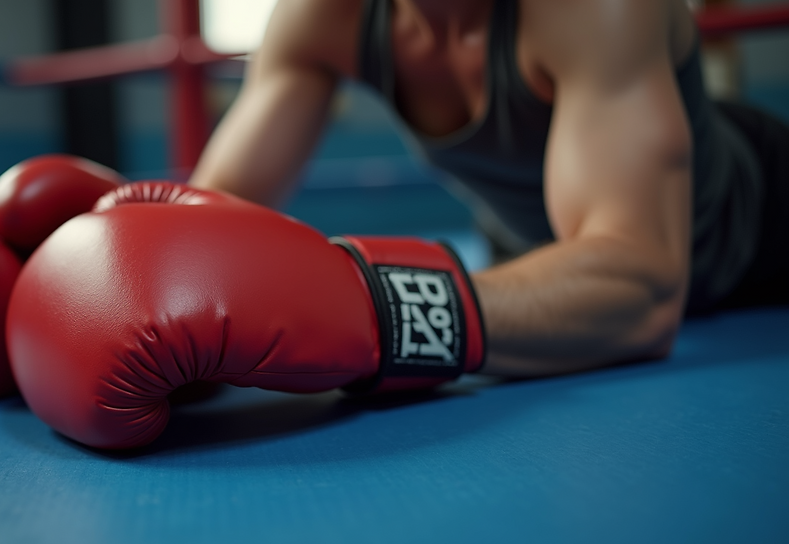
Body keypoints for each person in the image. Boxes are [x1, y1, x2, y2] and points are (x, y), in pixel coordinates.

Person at [186, 0, 789, 378]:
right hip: (537, 247)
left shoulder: (590, 8)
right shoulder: (323, 15)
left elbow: (643, 286)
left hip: (757, 226)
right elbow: (209, 222)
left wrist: (376, 305)